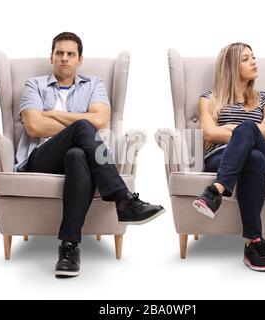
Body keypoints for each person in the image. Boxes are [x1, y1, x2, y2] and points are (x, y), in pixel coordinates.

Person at [15, 32, 164, 278]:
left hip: (79, 157)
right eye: (59, 53)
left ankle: (69, 248)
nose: (64, 58)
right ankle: (123, 199)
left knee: (76, 154)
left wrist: (51, 114)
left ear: (80, 59)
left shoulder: (93, 84)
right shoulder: (35, 84)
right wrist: (79, 124)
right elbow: (34, 127)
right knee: (84, 128)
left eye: (70, 54)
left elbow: (101, 120)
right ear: (51, 56)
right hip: (41, 158)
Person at [192, 43, 265, 272]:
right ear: (231, 66)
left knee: (249, 130)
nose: (254, 62)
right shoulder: (209, 98)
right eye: (246, 59)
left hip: (262, 155)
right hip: (220, 158)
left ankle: (215, 190)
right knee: (253, 158)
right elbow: (209, 133)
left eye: (254, 57)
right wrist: (246, 130)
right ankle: (255, 244)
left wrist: (235, 128)